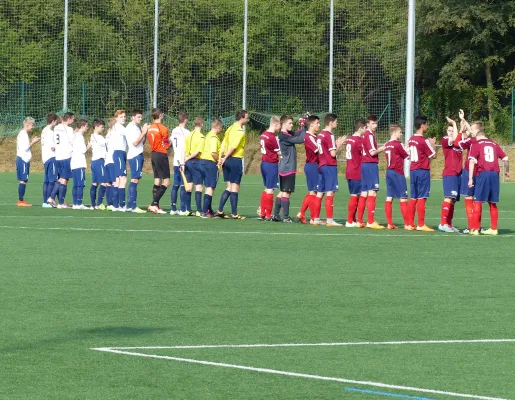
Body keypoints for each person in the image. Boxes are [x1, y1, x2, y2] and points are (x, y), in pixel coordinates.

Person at [468, 122, 509, 235]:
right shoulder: (493, 144)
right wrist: (507, 171)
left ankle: (475, 229)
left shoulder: (476, 144)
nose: (471, 132)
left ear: (477, 131)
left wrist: (470, 179)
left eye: (472, 130)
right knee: (492, 202)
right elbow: (505, 158)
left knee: (478, 200)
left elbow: (471, 161)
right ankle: (494, 228)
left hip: (483, 174)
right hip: (495, 174)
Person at [311, 113, 346, 227]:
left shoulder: (320, 135)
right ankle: (330, 220)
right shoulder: (329, 135)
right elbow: (333, 153)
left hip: (321, 165)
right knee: (330, 192)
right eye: (336, 121)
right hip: (329, 166)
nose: (337, 123)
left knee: (320, 192)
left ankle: (316, 219)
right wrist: (339, 145)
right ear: (331, 122)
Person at [407, 115, 437, 232]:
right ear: (422, 125)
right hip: (422, 170)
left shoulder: (411, 139)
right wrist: (433, 144)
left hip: (413, 170)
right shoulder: (423, 140)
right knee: (422, 197)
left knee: (413, 197)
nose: (427, 126)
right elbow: (433, 155)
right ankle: (420, 224)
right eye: (426, 124)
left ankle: (410, 224)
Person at [218, 109, 249, 219]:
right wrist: (225, 157)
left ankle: (220, 210)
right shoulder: (240, 132)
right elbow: (233, 147)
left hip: (226, 160)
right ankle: (234, 213)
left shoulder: (230, 128)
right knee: (235, 187)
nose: (247, 119)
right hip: (235, 160)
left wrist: (221, 157)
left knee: (229, 186)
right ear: (242, 118)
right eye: (246, 117)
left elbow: (223, 143)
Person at [358, 115, 385, 229]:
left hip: (365, 165)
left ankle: (360, 220)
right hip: (370, 165)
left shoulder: (368, 135)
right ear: (367, 124)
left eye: (376, 123)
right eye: (373, 123)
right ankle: (370, 221)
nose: (375, 125)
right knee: (372, 192)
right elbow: (373, 152)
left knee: (364, 193)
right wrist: (384, 147)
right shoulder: (369, 135)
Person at [384, 125, 410, 229]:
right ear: (395, 133)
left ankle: (390, 223)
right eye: (400, 132)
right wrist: (407, 147)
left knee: (389, 197)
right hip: (397, 172)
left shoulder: (387, 144)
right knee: (403, 197)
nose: (401, 134)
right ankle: (407, 224)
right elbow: (406, 155)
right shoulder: (398, 144)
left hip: (389, 172)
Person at [438, 117, 462, 233]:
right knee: (448, 197)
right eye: (449, 131)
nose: (451, 133)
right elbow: (453, 139)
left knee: (453, 200)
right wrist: (453, 123)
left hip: (457, 174)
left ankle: (449, 224)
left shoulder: (459, 142)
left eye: (453, 131)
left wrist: (460, 122)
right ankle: (443, 223)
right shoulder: (444, 139)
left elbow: (462, 136)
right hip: (450, 173)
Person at [297, 115, 320, 224]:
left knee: (313, 191)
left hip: (315, 165)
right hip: (312, 165)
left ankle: (302, 213)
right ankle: (313, 218)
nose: (319, 125)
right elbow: (318, 150)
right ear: (311, 125)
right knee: (313, 192)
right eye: (317, 123)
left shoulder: (314, 136)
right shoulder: (309, 137)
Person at [147, 108, 170, 214]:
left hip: (154, 154)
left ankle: (156, 206)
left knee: (157, 179)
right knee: (167, 181)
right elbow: (166, 145)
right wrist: (171, 143)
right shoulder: (163, 128)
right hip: (161, 154)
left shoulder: (150, 128)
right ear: (160, 115)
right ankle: (153, 204)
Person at [258, 116, 281, 221]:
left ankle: (262, 213)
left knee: (266, 188)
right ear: (276, 124)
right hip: (271, 164)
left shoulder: (263, 135)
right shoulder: (272, 137)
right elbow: (279, 152)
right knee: (270, 190)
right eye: (279, 125)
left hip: (264, 163)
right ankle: (268, 215)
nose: (280, 127)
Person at [457, 110, 477, 233]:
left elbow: (458, 143)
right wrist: (463, 120)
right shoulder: (484, 140)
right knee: (477, 199)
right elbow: (472, 132)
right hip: (481, 172)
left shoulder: (471, 141)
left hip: (470, 171)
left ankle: (471, 226)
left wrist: (462, 122)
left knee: (469, 198)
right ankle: (476, 226)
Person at [199, 119, 224, 218]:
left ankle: (208, 210)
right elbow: (213, 153)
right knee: (210, 187)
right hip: (210, 163)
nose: (221, 130)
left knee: (208, 187)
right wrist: (219, 160)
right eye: (221, 128)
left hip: (203, 162)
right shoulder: (214, 137)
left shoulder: (208, 135)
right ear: (218, 127)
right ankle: (205, 211)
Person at [126, 109, 148, 213]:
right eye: (138, 117)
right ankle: (133, 206)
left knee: (135, 180)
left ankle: (130, 205)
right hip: (135, 155)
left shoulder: (136, 128)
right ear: (133, 117)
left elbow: (141, 142)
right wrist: (143, 132)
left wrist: (145, 134)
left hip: (138, 154)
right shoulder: (131, 128)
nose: (140, 119)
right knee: (134, 179)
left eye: (141, 117)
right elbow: (135, 143)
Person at [344, 120, 366, 227]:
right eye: (365, 128)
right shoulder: (359, 141)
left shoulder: (349, 139)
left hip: (349, 170)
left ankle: (352, 219)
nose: (366, 130)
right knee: (357, 195)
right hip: (357, 171)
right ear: (361, 128)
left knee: (355, 195)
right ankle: (349, 221)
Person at [184, 117, 206, 216]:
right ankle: (199, 210)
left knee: (189, 186)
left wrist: (185, 160)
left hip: (187, 162)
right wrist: (188, 159)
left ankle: (188, 209)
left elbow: (185, 150)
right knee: (199, 186)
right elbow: (197, 151)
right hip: (195, 162)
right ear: (201, 124)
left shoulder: (189, 135)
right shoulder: (201, 137)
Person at [16, 117, 39, 207]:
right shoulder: (23, 134)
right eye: (32, 125)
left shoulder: (23, 134)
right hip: (23, 159)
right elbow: (25, 148)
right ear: (27, 125)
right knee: (23, 180)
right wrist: (33, 142)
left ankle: (21, 200)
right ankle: (20, 201)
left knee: (24, 180)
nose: (33, 127)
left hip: (22, 159)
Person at [54, 112, 75, 208]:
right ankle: (60, 202)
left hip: (58, 156)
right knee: (64, 179)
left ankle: (55, 199)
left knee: (61, 178)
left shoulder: (56, 127)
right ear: (69, 119)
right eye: (73, 119)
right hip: (66, 155)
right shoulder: (69, 129)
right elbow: (72, 141)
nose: (73, 120)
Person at [170, 112, 189, 215]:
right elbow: (185, 147)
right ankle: (182, 209)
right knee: (183, 185)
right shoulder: (186, 132)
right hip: (183, 161)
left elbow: (170, 142)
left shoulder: (174, 130)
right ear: (185, 120)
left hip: (175, 160)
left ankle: (173, 208)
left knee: (175, 184)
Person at [70, 120, 91, 209]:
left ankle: (75, 203)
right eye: (86, 126)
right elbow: (83, 150)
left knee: (75, 184)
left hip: (74, 163)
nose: (87, 128)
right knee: (81, 184)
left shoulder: (74, 135)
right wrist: (89, 145)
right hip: (79, 163)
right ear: (82, 127)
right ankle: (79, 203)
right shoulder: (80, 136)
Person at [111, 110, 128, 211]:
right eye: (121, 117)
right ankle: (122, 205)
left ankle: (116, 205)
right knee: (123, 179)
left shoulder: (117, 127)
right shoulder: (119, 127)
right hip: (119, 153)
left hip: (119, 153)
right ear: (116, 118)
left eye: (124, 116)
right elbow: (129, 134)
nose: (124, 118)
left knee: (117, 180)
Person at [41, 113, 59, 207]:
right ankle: (49, 201)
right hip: (51, 157)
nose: (56, 123)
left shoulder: (43, 130)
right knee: (52, 180)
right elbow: (53, 147)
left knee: (47, 181)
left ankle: (45, 201)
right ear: (52, 121)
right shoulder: (51, 132)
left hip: (45, 157)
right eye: (56, 121)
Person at [89, 119, 108, 210]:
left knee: (95, 183)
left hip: (96, 161)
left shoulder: (99, 136)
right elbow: (105, 144)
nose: (103, 129)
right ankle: (99, 203)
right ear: (96, 127)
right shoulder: (96, 136)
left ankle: (93, 205)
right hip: (99, 161)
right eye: (101, 127)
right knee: (104, 182)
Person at [104, 118, 117, 211]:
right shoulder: (114, 135)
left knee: (109, 183)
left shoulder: (107, 135)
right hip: (112, 160)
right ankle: (113, 203)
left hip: (107, 160)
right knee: (114, 182)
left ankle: (109, 203)